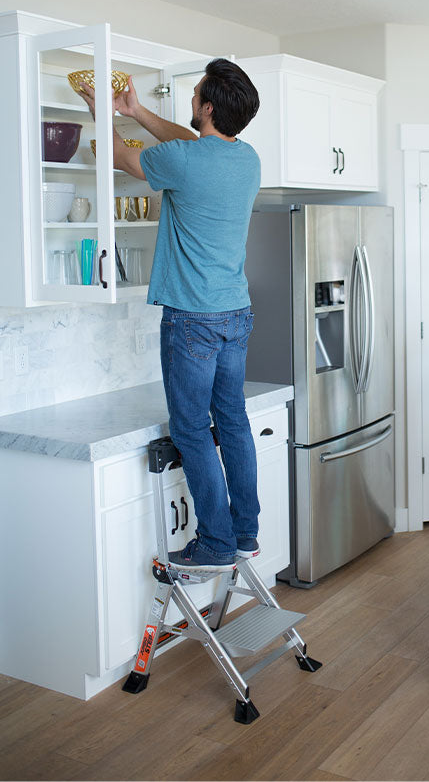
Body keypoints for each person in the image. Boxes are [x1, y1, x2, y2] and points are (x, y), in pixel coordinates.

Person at [77, 60, 261, 575]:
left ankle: (217, 543)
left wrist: (100, 109)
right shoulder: (246, 158)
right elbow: (195, 141)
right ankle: (244, 533)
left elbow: (116, 155)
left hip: (193, 319)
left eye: (197, 93)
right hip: (235, 313)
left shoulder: (184, 159)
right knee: (232, 421)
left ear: (204, 106)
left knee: (192, 431)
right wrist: (136, 110)